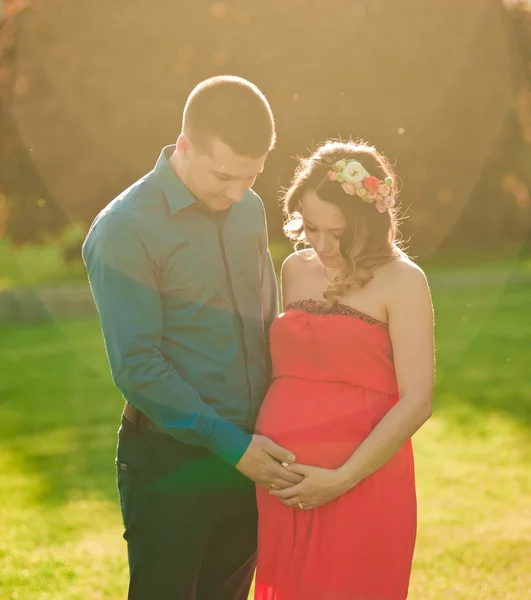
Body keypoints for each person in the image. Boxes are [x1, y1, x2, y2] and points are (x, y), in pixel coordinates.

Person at [82, 75, 303, 600]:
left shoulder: (248, 209)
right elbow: (138, 365)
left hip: (252, 456)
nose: (236, 193)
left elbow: (263, 321)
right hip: (170, 465)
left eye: (249, 177)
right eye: (224, 175)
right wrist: (232, 445)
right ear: (184, 146)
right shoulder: (123, 230)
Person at [254, 140, 435, 600]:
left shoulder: (404, 280)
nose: (321, 244)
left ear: (370, 224)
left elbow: (417, 401)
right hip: (285, 485)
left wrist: (341, 478)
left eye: (338, 233)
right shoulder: (294, 268)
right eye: (311, 227)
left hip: (363, 481)